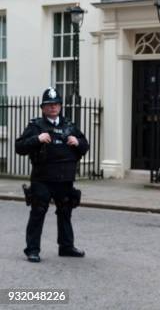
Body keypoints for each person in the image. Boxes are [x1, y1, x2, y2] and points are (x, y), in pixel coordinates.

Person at [16, 87, 89, 263]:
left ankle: (66, 247)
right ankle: (32, 250)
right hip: (43, 178)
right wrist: (37, 139)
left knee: (65, 212)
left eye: (56, 104)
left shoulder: (69, 126)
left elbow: (85, 146)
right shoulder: (36, 126)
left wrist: (77, 142)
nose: (53, 108)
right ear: (43, 107)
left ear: (61, 106)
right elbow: (19, 147)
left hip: (64, 178)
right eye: (49, 105)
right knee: (38, 212)